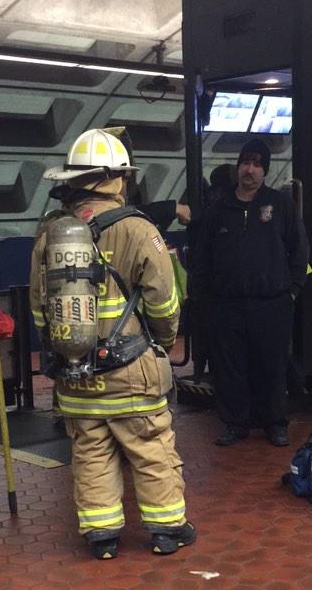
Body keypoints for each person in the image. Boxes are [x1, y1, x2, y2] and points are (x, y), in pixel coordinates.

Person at [30, 127, 195, 560]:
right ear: (117, 178)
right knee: (151, 449)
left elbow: (38, 306)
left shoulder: (50, 232)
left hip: (75, 373)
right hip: (130, 371)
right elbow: (163, 302)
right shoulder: (140, 229)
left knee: (91, 452)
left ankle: (101, 537)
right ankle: (166, 529)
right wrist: (160, 343)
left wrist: (64, 351)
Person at [194, 138, 309, 447]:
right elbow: (201, 257)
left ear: (265, 171)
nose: (250, 169)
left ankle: (275, 423)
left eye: (257, 164)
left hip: (272, 304)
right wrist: (206, 298)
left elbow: (299, 250)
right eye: (246, 163)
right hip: (227, 305)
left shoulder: (280, 205)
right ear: (238, 167)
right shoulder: (218, 209)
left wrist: (293, 290)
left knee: (271, 366)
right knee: (230, 367)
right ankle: (235, 423)